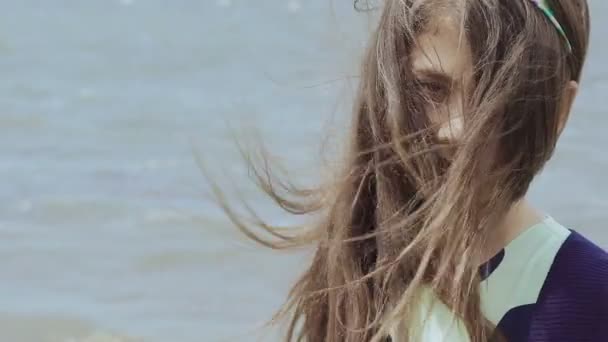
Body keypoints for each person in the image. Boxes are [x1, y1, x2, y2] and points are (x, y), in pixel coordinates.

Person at [215, 0, 607, 341]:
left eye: (495, 97)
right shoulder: (357, 266)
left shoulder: (592, 299)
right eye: (433, 88)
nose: (457, 129)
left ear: (559, 111)